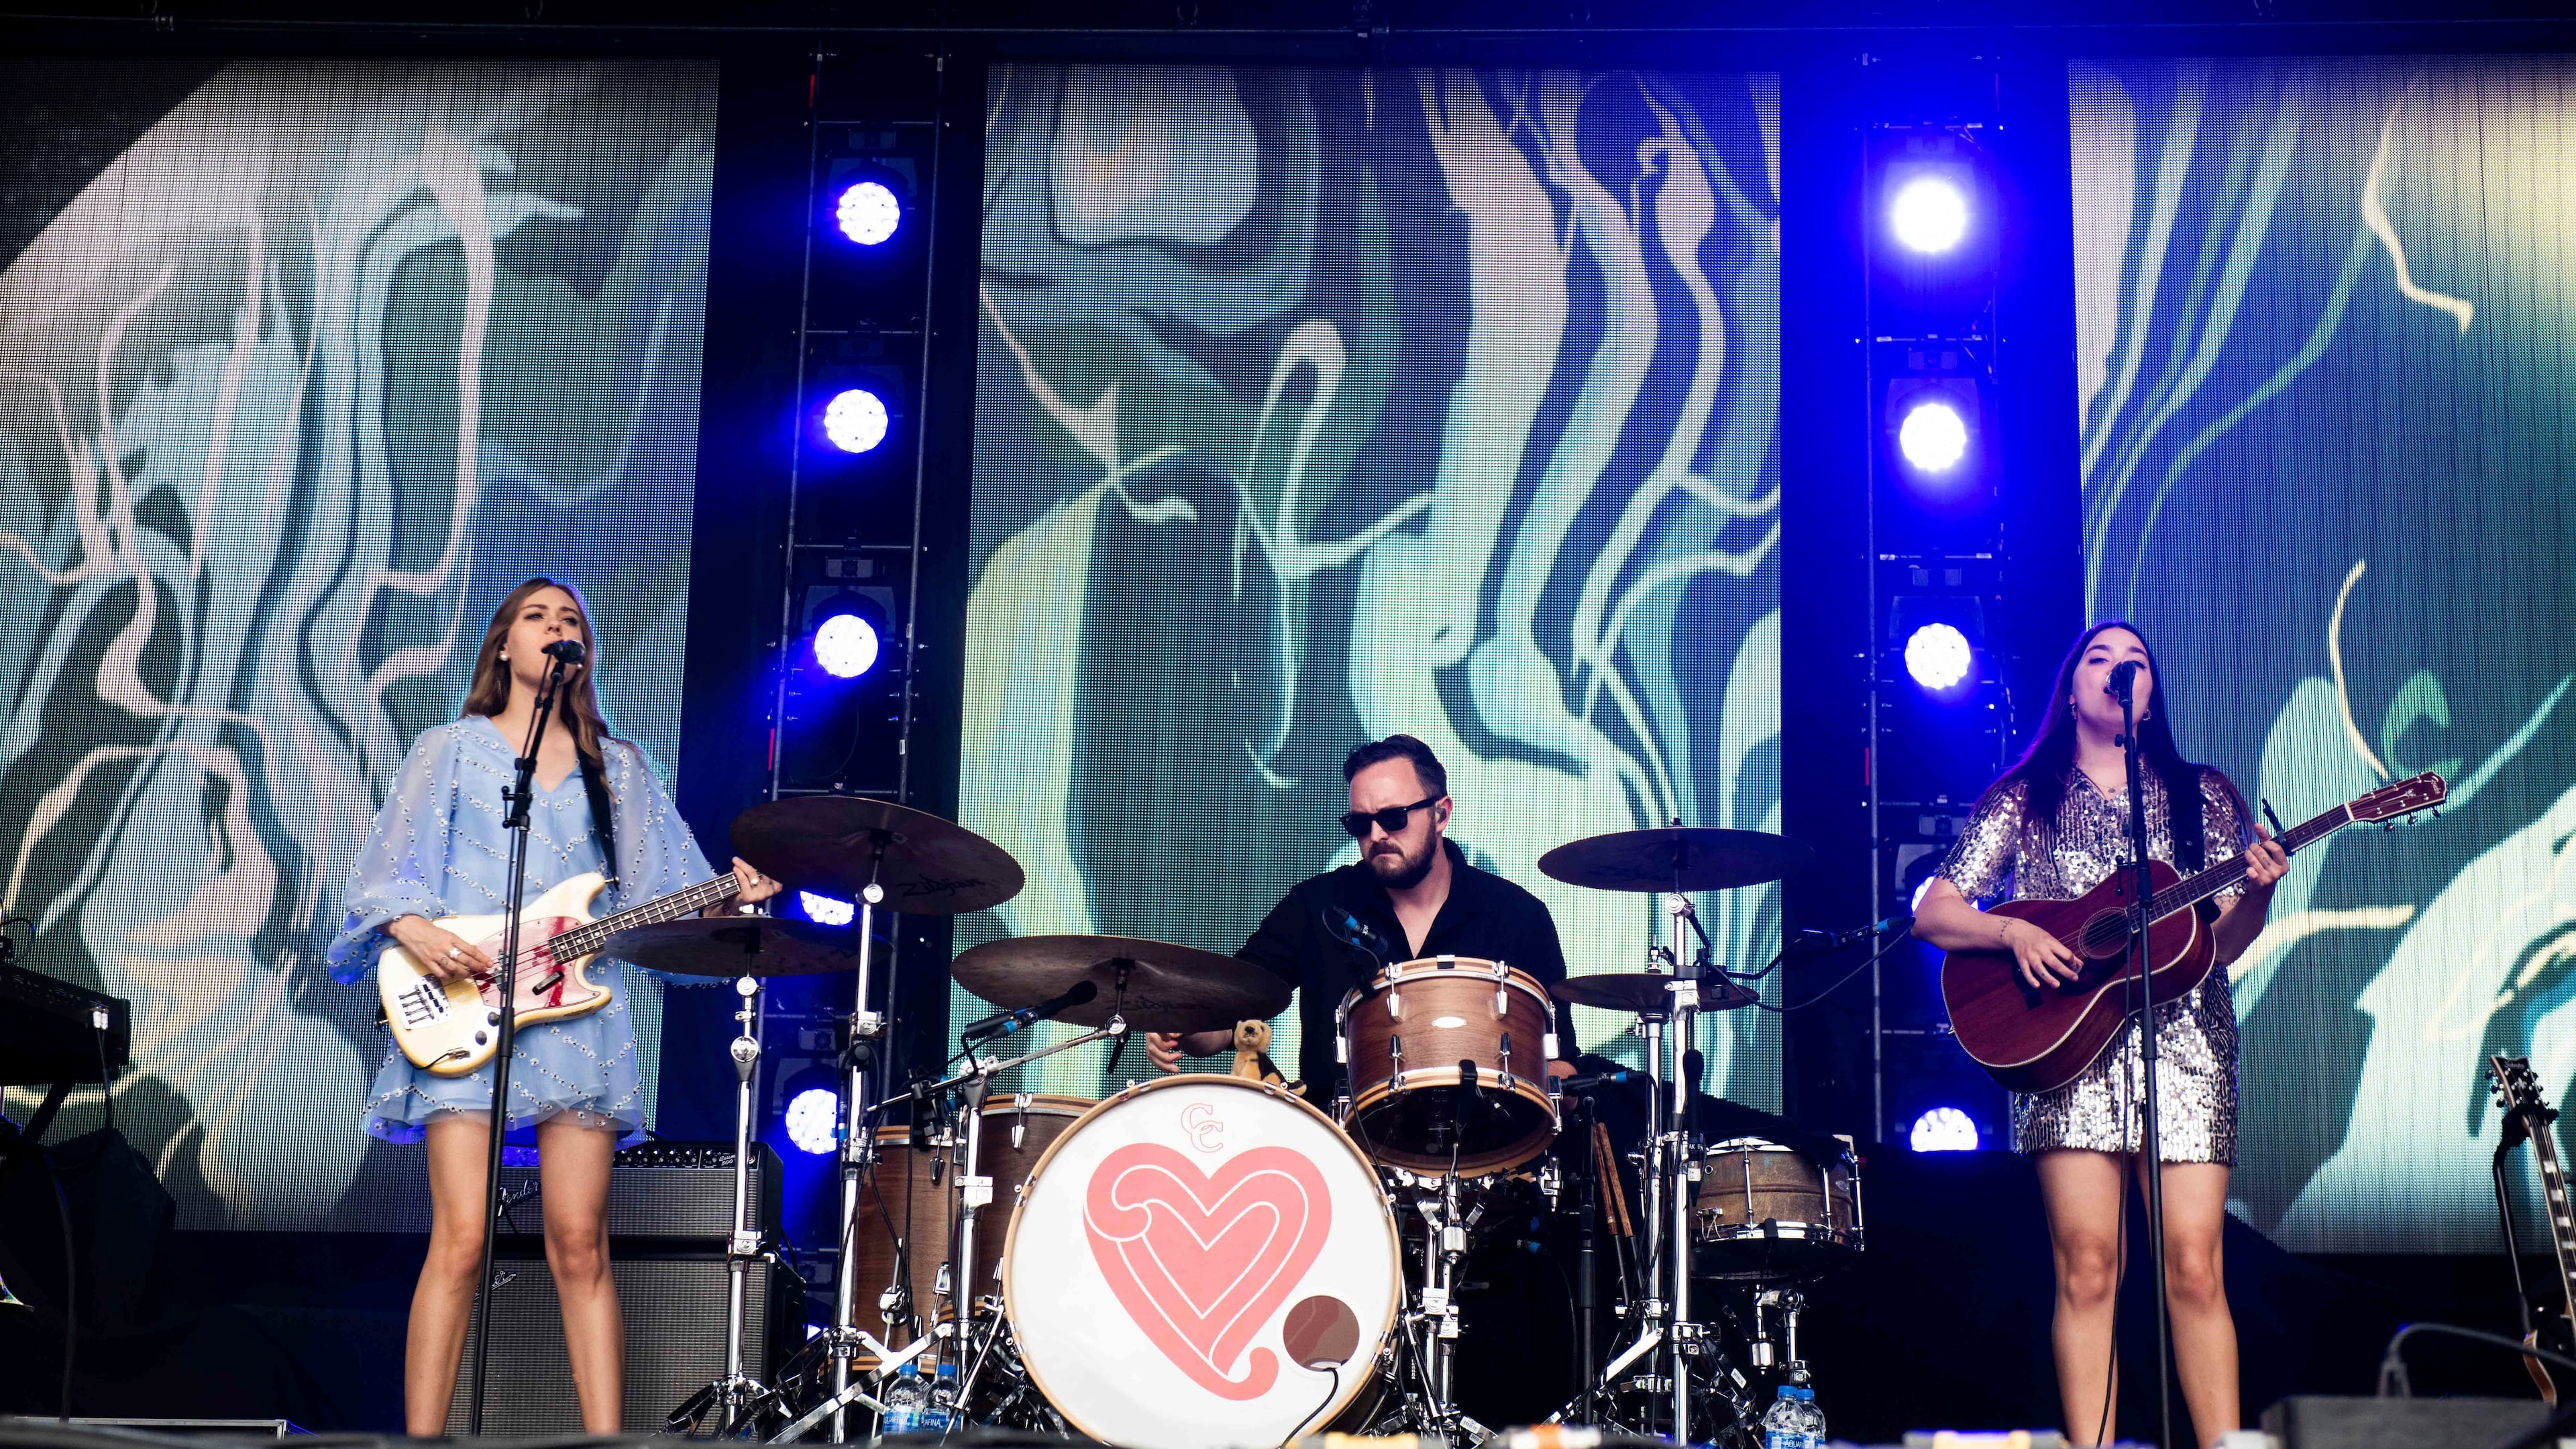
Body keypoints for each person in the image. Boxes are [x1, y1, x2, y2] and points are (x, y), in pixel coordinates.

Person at [326, 578, 782, 1434]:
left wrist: (735, 897)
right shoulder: (450, 750)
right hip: (462, 999)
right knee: (460, 1239)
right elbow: (386, 878)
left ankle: (604, 1441)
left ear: (585, 654)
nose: (556, 629)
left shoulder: (622, 768)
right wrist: (417, 931)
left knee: (580, 1240)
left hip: (577, 1021)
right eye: (537, 617)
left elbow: (671, 901)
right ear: (504, 645)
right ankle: (420, 1441)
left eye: (571, 619)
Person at [1911, 621, 2288, 1449]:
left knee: (2195, 1265)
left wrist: (2256, 895)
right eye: (2100, 658)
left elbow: (2214, 945)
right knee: (2088, 1269)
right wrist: (2010, 934)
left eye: (2139, 662)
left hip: (2188, 1043)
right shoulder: (2026, 795)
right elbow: (1933, 910)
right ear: (2073, 690)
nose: (2121, 670)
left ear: (2149, 697)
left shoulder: (2202, 796)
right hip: (2066, 1045)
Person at [1145, 733, 1578, 1098]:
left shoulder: (1518, 917)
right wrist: (1184, 1028)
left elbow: (1560, 1063)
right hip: (1340, 1158)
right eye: (1360, 824)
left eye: (1392, 818)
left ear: (1441, 813)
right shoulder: (1317, 905)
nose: (1376, 836)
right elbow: (1234, 1007)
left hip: (1483, 1163)